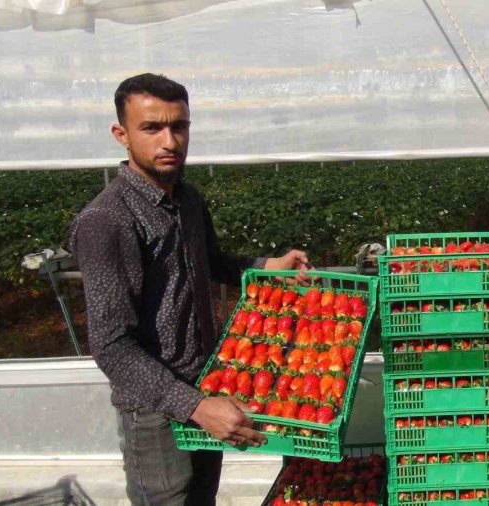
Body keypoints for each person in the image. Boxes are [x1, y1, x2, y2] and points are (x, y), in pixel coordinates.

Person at [69, 73, 311, 506]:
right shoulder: (108, 221)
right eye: (152, 128)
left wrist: (268, 266)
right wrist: (194, 406)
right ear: (121, 135)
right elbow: (111, 345)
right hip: (156, 411)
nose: (169, 141)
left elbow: (211, 261)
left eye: (178, 126)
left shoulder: (188, 199)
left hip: (208, 389)